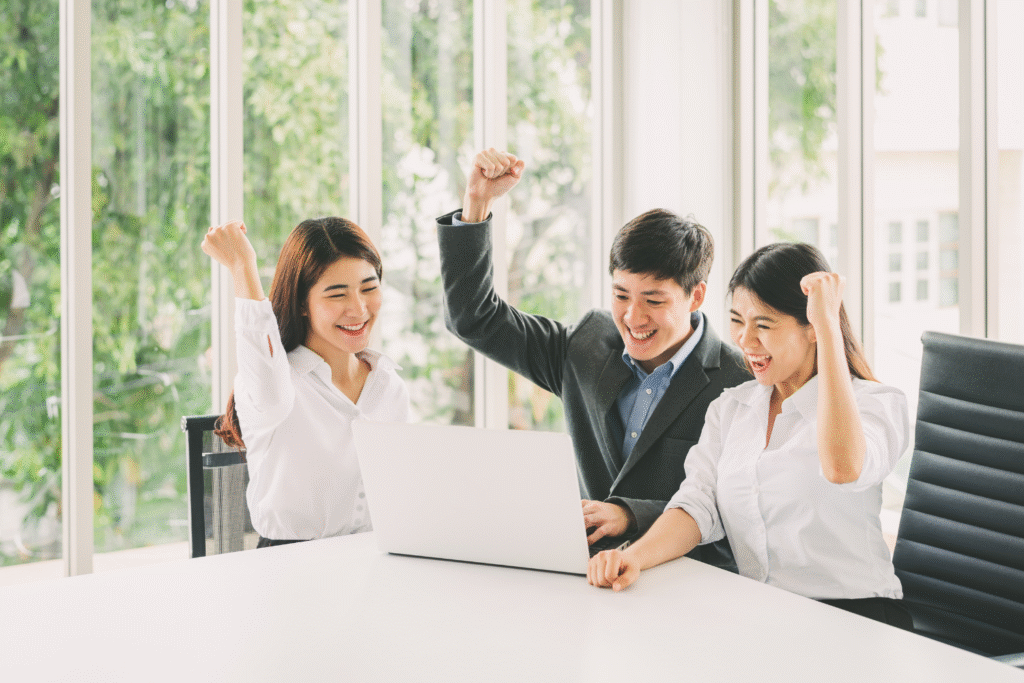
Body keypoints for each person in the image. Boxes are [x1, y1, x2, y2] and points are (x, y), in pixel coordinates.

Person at [437, 149, 749, 566]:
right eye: (621, 295)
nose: (632, 317)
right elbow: (474, 318)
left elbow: (740, 512)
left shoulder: (738, 381)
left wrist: (630, 514)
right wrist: (477, 205)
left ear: (696, 296)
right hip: (587, 583)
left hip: (690, 590)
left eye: (653, 300)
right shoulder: (587, 346)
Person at [588, 242, 913, 628]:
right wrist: (635, 557)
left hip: (857, 619)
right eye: (738, 321)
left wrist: (829, 326)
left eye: (764, 325)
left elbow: (843, 467)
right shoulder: (732, 409)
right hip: (763, 616)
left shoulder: (876, 405)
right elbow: (696, 506)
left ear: (811, 328)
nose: (745, 341)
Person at [202, 217, 409, 548]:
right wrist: (243, 267)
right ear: (301, 304)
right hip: (290, 567)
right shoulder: (275, 387)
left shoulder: (390, 387)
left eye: (369, 288)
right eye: (337, 294)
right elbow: (267, 379)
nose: (358, 308)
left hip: (374, 556)